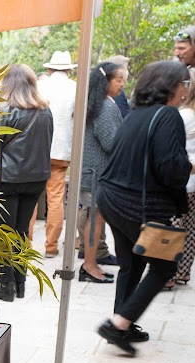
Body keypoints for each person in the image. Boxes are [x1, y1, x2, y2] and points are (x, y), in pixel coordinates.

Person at [96, 61, 192, 355]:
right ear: (171, 86)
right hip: (138, 204)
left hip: (111, 198)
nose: (186, 90)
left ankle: (122, 324)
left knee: (132, 263)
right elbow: (170, 169)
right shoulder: (168, 115)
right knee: (165, 266)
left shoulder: (136, 115)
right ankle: (118, 323)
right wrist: (187, 165)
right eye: (184, 84)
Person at [0, 64, 54, 302]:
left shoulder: (4, 112)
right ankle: (21, 284)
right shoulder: (45, 111)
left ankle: (6, 286)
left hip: (7, 181)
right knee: (20, 234)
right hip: (36, 179)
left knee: (4, 234)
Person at [78, 62, 125, 284]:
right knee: (95, 220)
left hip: (93, 171)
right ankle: (89, 265)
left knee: (95, 219)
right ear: (106, 82)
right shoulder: (105, 106)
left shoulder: (97, 102)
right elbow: (111, 142)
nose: (123, 85)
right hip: (98, 173)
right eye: (119, 80)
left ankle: (91, 263)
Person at [33, 51, 76, 258]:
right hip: (61, 150)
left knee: (31, 197)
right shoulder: (76, 87)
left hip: (38, 149)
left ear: (49, 69)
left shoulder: (41, 86)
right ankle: (51, 247)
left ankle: (25, 243)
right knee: (56, 197)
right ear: (69, 70)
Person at [173, 68, 195, 285]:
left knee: (175, 226)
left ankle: (169, 272)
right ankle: (183, 271)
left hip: (183, 179)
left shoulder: (183, 115)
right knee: (191, 228)